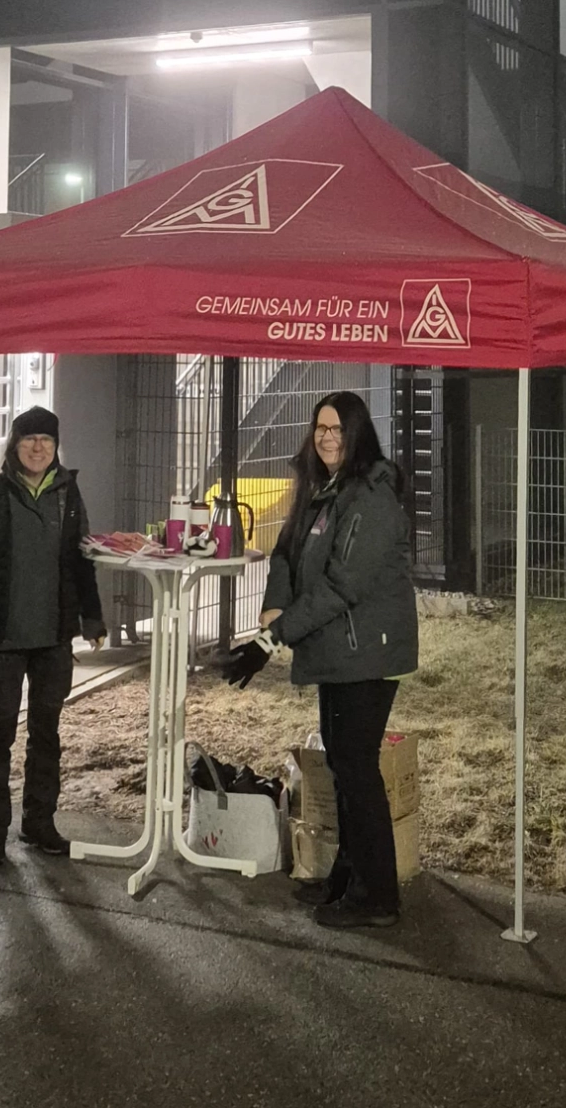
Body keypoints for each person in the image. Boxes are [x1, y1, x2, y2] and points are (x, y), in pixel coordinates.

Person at [224, 390, 417, 928]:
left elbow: (342, 586)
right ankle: (346, 879)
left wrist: (271, 641)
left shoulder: (371, 497)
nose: (327, 437)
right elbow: (287, 551)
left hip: (369, 652)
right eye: (320, 428)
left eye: (337, 429)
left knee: (357, 768)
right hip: (339, 649)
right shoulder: (321, 489)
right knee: (342, 762)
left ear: (357, 435)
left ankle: (378, 896)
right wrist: (273, 606)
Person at [0, 405, 105, 864]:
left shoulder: (68, 492)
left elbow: (82, 558)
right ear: (14, 444)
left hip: (53, 637)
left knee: (46, 734)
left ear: (56, 445)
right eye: (30, 439)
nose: (39, 447)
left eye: (47, 439)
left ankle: (39, 822)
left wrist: (92, 618)